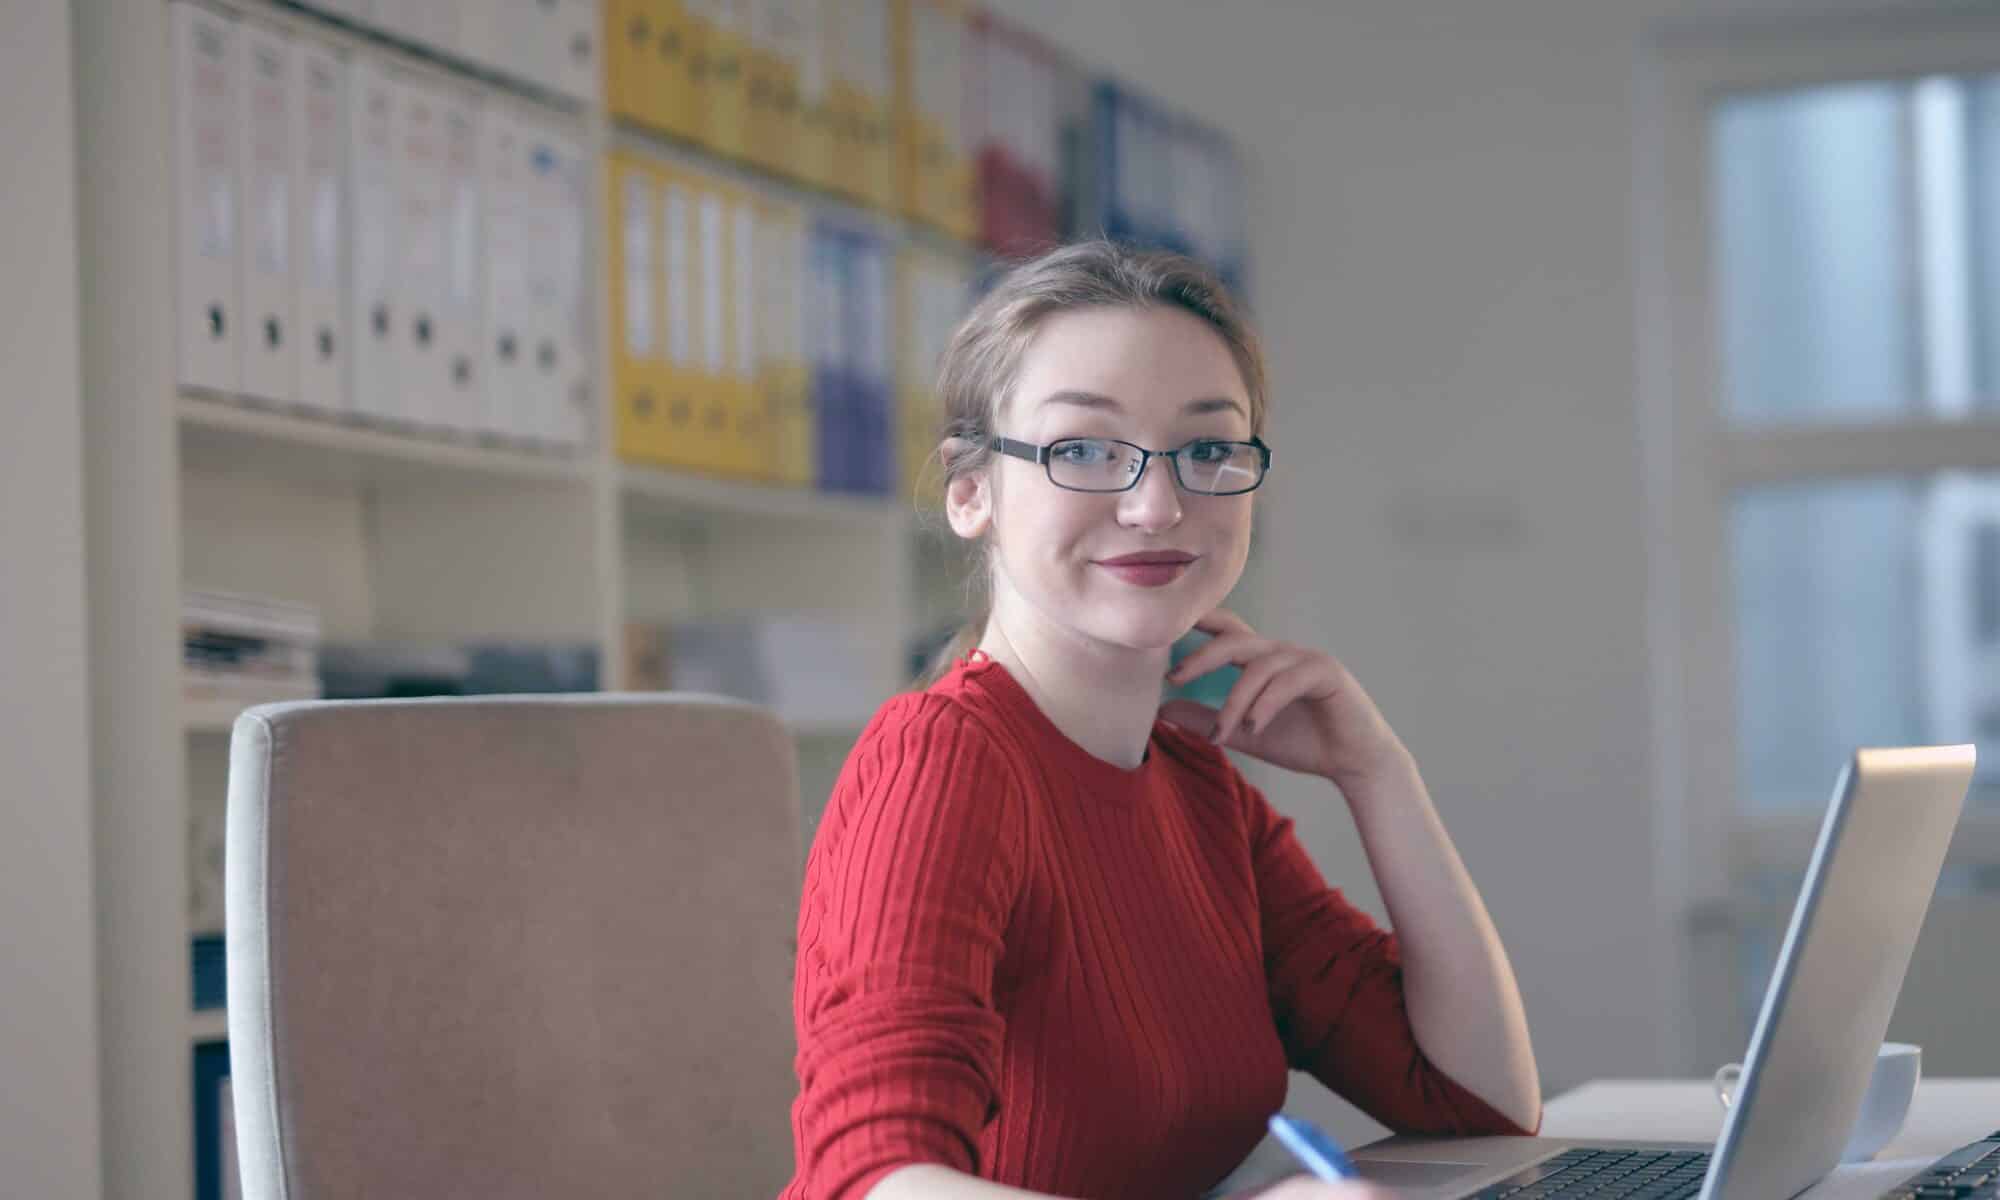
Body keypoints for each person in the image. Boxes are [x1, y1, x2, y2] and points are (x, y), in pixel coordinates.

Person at [780, 241, 1541, 1200]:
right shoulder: (943, 759)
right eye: (1085, 450)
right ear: (972, 492)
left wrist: (1377, 772)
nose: (1155, 503)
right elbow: (872, 1184)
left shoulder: (1196, 791)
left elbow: (1479, 1103)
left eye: (1208, 449)